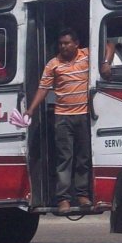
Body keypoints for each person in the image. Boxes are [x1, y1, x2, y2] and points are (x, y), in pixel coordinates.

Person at [24, 28, 114, 214]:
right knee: (65, 159)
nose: (63, 46)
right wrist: (31, 110)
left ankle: (82, 195)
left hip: (84, 115)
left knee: (83, 157)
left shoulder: (86, 54)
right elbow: (43, 88)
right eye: (61, 44)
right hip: (62, 117)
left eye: (67, 43)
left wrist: (106, 63)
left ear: (76, 44)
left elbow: (110, 45)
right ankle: (63, 199)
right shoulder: (53, 64)